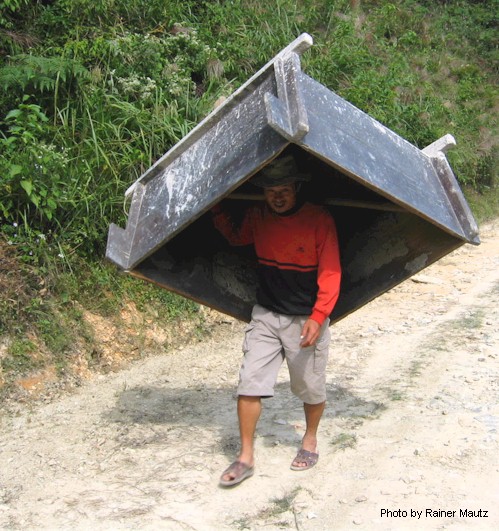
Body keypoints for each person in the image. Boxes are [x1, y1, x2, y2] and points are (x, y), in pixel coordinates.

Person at [212, 154, 342, 487]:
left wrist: (318, 315)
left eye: (283, 189)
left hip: (305, 319)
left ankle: (310, 439)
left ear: (297, 188)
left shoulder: (318, 219)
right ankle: (245, 457)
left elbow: (331, 271)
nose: (277, 197)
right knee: (249, 383)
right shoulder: (258, 216)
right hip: (267, 314)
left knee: (309, 387)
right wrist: (214, 207)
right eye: (270, 191)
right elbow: (237, 236)